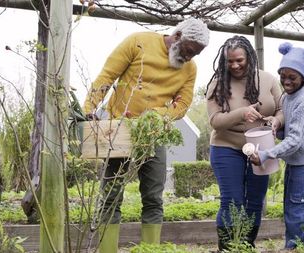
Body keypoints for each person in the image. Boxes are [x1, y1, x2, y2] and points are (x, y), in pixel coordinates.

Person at [82, 18, 210, 253]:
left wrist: (156, 115)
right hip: (118, 130)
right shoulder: (138, 42)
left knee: (153, 197)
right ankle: (106, 250)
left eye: (196, 54)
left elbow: (182, 104)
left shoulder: (189, 69)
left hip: (153, 135)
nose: (190, 58)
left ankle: (150, 250)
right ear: (178, 36)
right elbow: (107, 76)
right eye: (189, 51)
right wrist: (89, 109)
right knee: (111, 195)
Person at [205, 35, 284, 251]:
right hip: (226, 146)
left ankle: (246, 246)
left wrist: (276, 121)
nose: (235, 65)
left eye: (239, 60)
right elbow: (215, 122)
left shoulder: (267, 79)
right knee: (232, 200)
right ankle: (228, 248)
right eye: (230, 61)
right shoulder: (217, 84)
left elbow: (281, 108)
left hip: (262, 148)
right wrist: (241, 113)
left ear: (249, 56)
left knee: (255, 201)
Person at [250, 42, 304, 249]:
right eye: (283, 76)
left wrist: (266, 154)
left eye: (292, 77)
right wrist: (274, 126)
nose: (286, 81)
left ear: (303, 77)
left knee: (301, 207)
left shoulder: (303, 100)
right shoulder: (287, 96)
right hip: (295, 161)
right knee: (291, 205)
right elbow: (290, 129)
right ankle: (292, 246)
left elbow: (295, 141)